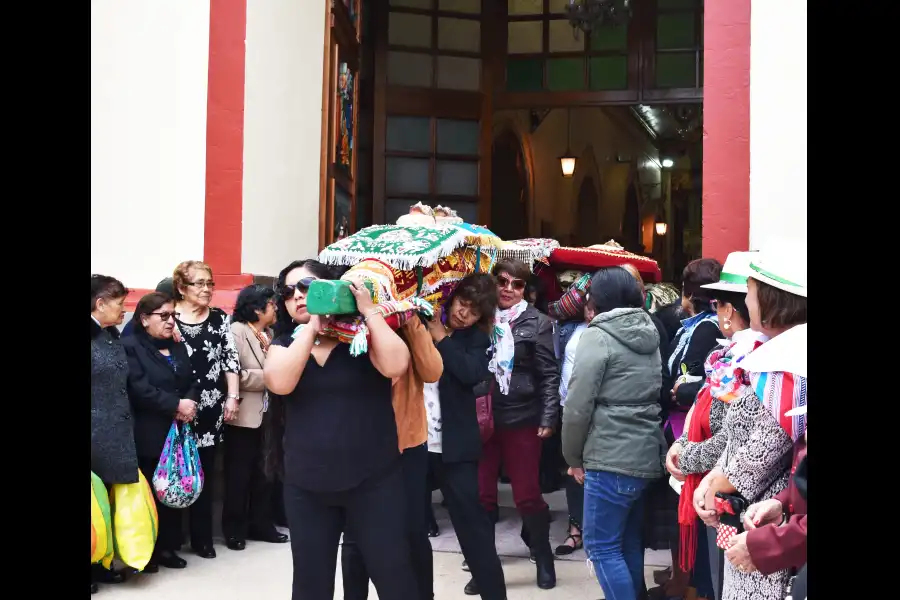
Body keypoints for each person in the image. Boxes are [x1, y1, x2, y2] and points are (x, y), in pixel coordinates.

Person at [263, 259, 419, 600]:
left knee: (394, 576)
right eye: (288, 293)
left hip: (374, 481)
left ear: (332, 287)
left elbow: (397, 364)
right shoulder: (285, 342)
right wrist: (311, 328)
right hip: (307, 485)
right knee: (310, 584)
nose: (297, 297)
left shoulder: (363, 336)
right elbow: (278, 382)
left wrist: (369, 312)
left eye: (307, 288)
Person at [692, 251, 807, 600]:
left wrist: (714, 484)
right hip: (763, 512)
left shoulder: (789, 364)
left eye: (751, 291)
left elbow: (763, 449)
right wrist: (713, 477)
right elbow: (736, 432)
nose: (744, 301)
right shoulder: (769, 352)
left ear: (772, 299)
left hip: (764, 518)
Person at [664, 252, 766, 600]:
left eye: (719, 303)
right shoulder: (735, 354)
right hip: (723, 483)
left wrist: (686, 455)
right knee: (720, 570)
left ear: (729, 309)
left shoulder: (749, 361)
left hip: (730, 491)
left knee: (727, 571)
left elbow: (731, 434)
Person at [561, 267, 666, 600]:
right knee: (628, 542)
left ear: (598, 299)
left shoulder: (598, 334)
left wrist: (572, 457)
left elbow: (577, 405)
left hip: (609, 455)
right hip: (644, 451)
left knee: (602, 547)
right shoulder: (649, 329)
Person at [342, 298, 444, 600]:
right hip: (359, 446)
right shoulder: (348, 325)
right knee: (356, 536)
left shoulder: (409, 322)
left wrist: (411, 321)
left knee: (413, 530)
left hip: (408, 444)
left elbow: (432, 371)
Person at [474, 258, 560, 591]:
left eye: (517, 284)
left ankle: (543, 557)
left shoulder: (538, 322)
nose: (508, 289)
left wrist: (548, 416)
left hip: (522, 416)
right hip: (482, 416)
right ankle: (484, 568)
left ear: (527, 290)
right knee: (481, 497)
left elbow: (549, 374)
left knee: (526, 495)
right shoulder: (478, 317)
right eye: (503, 281)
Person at [423, 274, 508, 600]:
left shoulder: (478, 339)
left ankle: (493, 593)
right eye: (462, 304)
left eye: (472, 312)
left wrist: (442, 337)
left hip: (455, 444)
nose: (463, 314)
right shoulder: (422, 321)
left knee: (472, 527)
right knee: (410, 527)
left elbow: (470, 373)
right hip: (415, 442)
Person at [648, 258, 723, 598]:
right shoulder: (690, 324)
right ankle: (683, 574)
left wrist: (681, 389)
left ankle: (689, 582)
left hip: (694, 428)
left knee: (691, 505)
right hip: (679, 422)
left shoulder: (709, 328)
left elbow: (703, 380)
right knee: (679, 503)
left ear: (687, 292)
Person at [122, 293, 199, 572]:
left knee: (173, 489)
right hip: (149, 431)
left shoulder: (177, 346)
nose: (170, 322)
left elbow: (191, 380)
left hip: (178, 430)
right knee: (151, 494)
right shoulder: (130, 347)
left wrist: (188, 404)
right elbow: (139, 388)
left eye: (173, 315)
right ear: (144, 319)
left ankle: (168, 547)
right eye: (163, 316)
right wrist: (175, 404)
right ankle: (148, 552)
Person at [172, 260, 241, 558]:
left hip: (211, 409)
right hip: (176, 407)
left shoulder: (218, 318)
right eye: (199, 283)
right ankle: (171, 542)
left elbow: (230, 359)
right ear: (181, 287)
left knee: (204, 472)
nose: (206, 289)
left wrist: (233, 397)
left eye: (209, 283)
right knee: (173, 471)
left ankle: (202, 539)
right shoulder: (167, 316)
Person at [223, 285, 288, 551]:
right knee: (239, 475)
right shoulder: (236, 332)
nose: (275, 309)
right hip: (243, 415)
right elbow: (233, 373)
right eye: (272, 305)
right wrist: (273, 376)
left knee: (265, 473)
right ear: (257, 308)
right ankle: (234, 529)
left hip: (269, 414)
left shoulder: (269, 334)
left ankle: (261, 524)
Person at [91, 275, 137, 593]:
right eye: (120, 304)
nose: (124, 310)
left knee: (104, 504)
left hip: (113, 432)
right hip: (93, 431)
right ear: (100, 303)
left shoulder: (110, 334)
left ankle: (101, 564)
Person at [553, 293, 595, 557]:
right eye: (587, 306)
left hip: (595, 413)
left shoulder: (607, 335)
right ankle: (575, 530)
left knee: (593, 475)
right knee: (572, 469)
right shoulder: (569, 329)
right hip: (567, 408)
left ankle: (595, 534)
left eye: (595, 306)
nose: (590, 312)